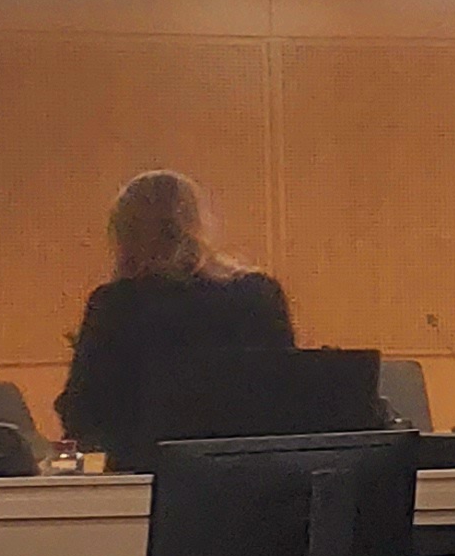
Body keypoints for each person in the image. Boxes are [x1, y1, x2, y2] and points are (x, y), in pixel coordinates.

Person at [53, 170, 296, 468]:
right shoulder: (258, 293)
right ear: (199, 223)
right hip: (248, 477)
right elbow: (285, 395)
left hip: (150, 478)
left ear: (122, 233)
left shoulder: (116, 304)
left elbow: (84, 413)